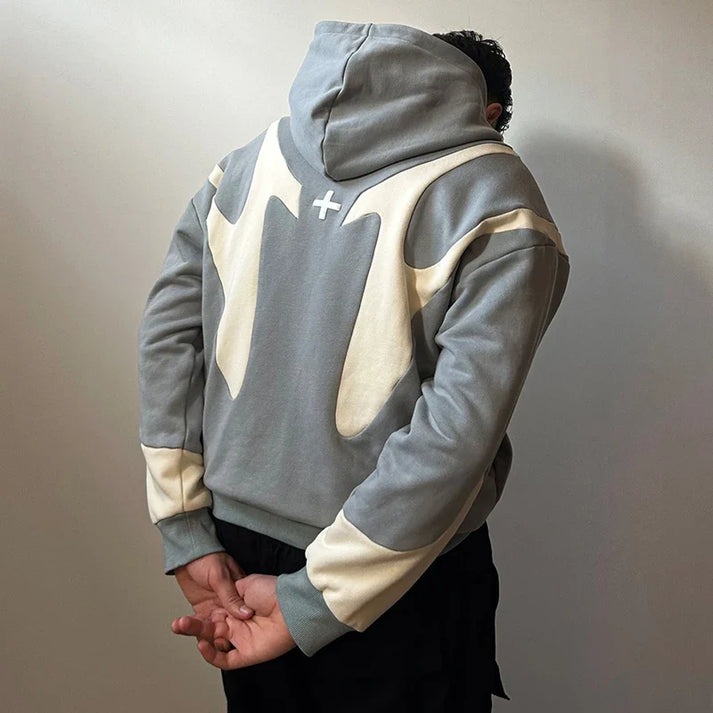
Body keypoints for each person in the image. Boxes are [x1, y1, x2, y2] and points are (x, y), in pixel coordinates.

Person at [138, 20, 569, 712]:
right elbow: (455, 433)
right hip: (394, 570)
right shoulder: (498, 199)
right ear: (484, 111)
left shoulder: (244, 164)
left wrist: (183, 525)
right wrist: (315, 599)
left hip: (233, 549)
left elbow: (167, 342)